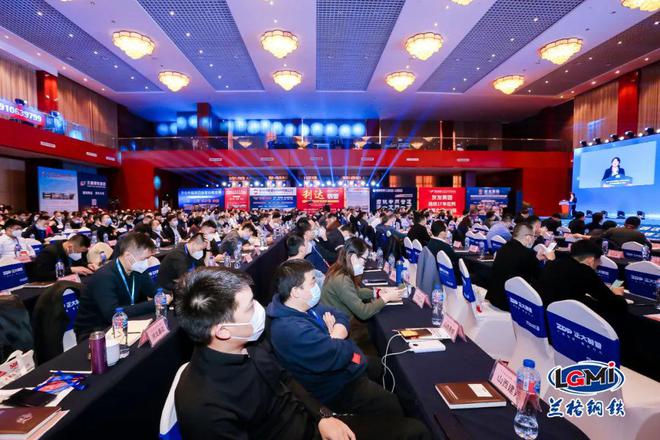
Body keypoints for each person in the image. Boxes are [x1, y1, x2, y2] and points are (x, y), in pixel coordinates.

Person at [174, 267, 429, 440]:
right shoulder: (203, 405)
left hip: (313, 422)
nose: (261, 310)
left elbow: (286, 380)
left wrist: (323, 416)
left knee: (411, 429)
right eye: (250, 307)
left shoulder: (251, 347)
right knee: (412, 431)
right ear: (222, 331)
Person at [267, 259, 428, 440]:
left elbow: (340, 316)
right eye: (312, 282)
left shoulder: (305, 306)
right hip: (334, 387)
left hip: (344, 368)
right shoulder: (290, 330)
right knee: (390, 404)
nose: (317, 286)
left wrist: (334, 335)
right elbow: (339, 355)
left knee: (386, 367)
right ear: (296, 291)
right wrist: (337, 338)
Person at [75, 232, 169, 340]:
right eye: (144, 259)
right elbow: (112, 314)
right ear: (128, 256)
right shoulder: (104, 277)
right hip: (96, 331)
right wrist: (156, 303)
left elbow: (153, 290)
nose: (146, 263)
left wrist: (165, 294)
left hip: (125, 322)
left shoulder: (138, 270)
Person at [321, 238, 402, 350]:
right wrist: (386, 298)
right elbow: (363, 312)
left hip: (341, 320)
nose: (365, 264)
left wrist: (376, 292)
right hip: (341, 328)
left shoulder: (338, 269)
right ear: (354, 257)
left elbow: (356, 291)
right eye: (364, 260)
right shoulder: (342, 280)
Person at [539, 239, 627, 328]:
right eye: (599, 260)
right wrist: (618, 295)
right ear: (591, 260)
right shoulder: (585, 272)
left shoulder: (554, 263)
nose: (600, 263)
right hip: (569, 319)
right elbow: (615, 304)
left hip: (548, 315)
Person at [485, 223, 554, 311]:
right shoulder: (527, 254)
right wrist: (550, 261)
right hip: (510, 303)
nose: (534, 239)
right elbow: (542, 277)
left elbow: (519, 264)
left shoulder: (503, 248)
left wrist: (535, 259)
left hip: (495, 297)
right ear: (528, 237)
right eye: (534, 237)